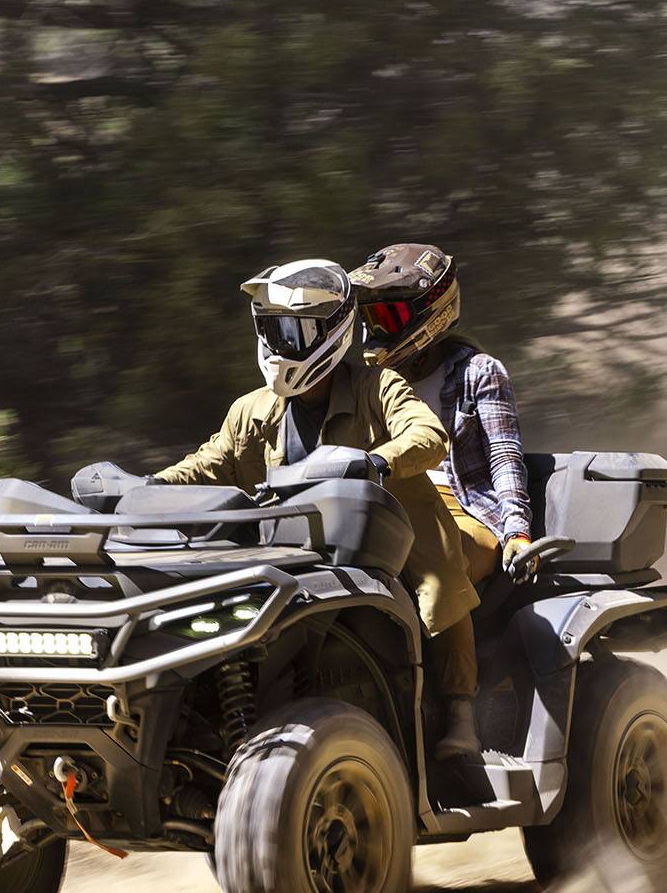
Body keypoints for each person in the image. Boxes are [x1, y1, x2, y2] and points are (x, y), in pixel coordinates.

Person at [154, 259, 484, 758]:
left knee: (438, 588)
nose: (281, 343)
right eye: (272, 329)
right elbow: (207, 464)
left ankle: (461, 716)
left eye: (294, 330)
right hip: (292, 552)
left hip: (393, 543)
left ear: (333, 332)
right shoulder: (252, 410)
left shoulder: (378, 387)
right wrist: (141, 486)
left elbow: (428, 436)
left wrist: (376, 462)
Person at [349, 242, 534, 611]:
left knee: (428, 572)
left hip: (466, 514)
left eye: (389, 316)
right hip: (392, 512)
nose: (377, 330)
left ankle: (452, 671)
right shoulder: (367, 384)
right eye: (371, 320)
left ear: (431, 310)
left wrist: (517, 531)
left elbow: (504, 456)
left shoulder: (479, 372)